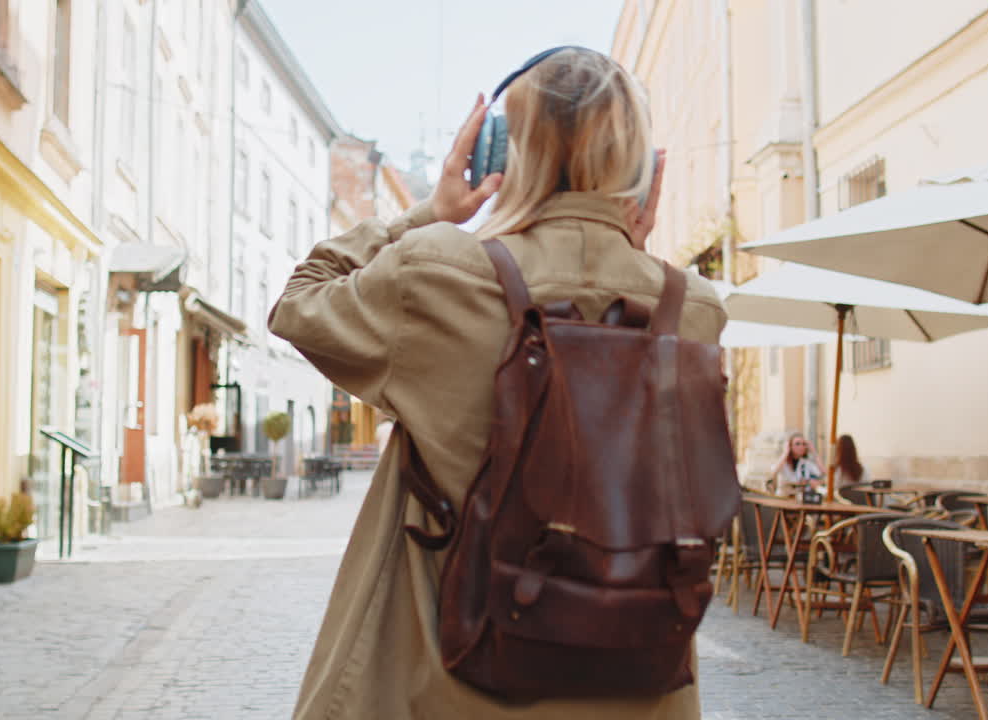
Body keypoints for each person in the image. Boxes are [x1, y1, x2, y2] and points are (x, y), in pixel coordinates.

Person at [269, 47, 725, 719]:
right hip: (638, 686)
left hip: (450, 683)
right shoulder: (695, 310)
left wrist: (429, 213)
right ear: (639, 168)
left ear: (503, 154)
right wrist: (629, 253)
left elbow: (299, 302)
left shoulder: (436, 275)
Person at [770, 432, 824, 497]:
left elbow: (823, 472)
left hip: (799, 498)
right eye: (797, 444)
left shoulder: (805, 463)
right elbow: (774, 472)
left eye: (804, 444)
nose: (801, 447)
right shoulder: (783, 462)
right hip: (783, 497)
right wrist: (785, 452)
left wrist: (813, 451)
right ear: (789, 446)